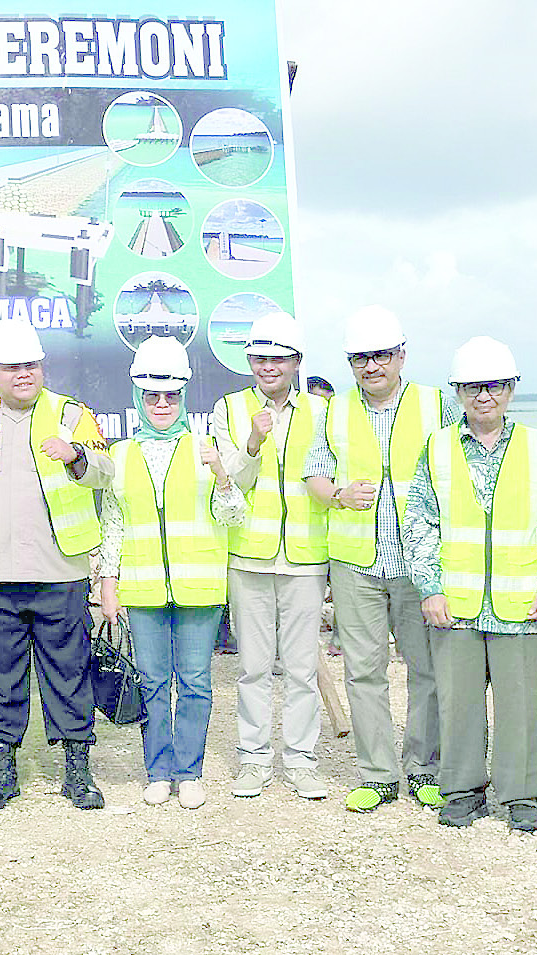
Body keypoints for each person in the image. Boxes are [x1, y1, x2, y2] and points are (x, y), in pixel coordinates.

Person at [0, 318, 113, 811]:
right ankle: (3, 768)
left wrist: (76, 455)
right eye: (13, 366)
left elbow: (106, 471)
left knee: (68, 670)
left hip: (58, 569)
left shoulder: (71, 413)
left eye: (33, 364)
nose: (25, 373)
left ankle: (77, 770)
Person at [304, 306, 461, 812]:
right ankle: (377, 773)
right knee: (363, 670)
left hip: (420, 565)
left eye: (380, 356)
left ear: (401, 355)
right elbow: (314, 475)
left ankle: (423, 769)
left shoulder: (438, 405)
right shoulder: (334, 411)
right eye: (360, 359)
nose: (371, 366)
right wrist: (337, 495)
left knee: (428, 669)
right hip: (357, 565)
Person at [406, 337, 537, 831]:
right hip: (455, 601)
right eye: (473, 387)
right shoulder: (436, 447)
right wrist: (429, 587)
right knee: (458, 702)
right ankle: (461, 790)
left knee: (520, 703)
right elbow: (420, 522)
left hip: (520, 599)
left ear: (511, 389)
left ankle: (519, 795)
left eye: (494, 386)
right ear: (458, 392)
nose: (484, 396)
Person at [102, 337, 244, 809]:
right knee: (153, 682)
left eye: (171, 395)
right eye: (152, 396)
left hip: (198, 587)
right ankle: (158, 770)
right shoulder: (120, 455)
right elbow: (114, 523)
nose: (161, 404)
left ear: (184, 396)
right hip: (141, 589)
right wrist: (107, 584)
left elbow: (234, 516)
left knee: (197, 681)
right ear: (138, 398)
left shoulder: (208, 450)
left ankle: (191, 772)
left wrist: (223, 476)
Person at [209, 311, 332, 800]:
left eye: (278, 358)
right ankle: (254, 760)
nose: (268, 366)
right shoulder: (229, 408)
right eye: (259, 358)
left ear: (297, 361)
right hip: (250, 555)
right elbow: (232, 478)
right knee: (254, 668)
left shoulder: (322, 411)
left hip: (305, 556)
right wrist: (254, 441)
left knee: (302, 669)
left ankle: (302, 761)